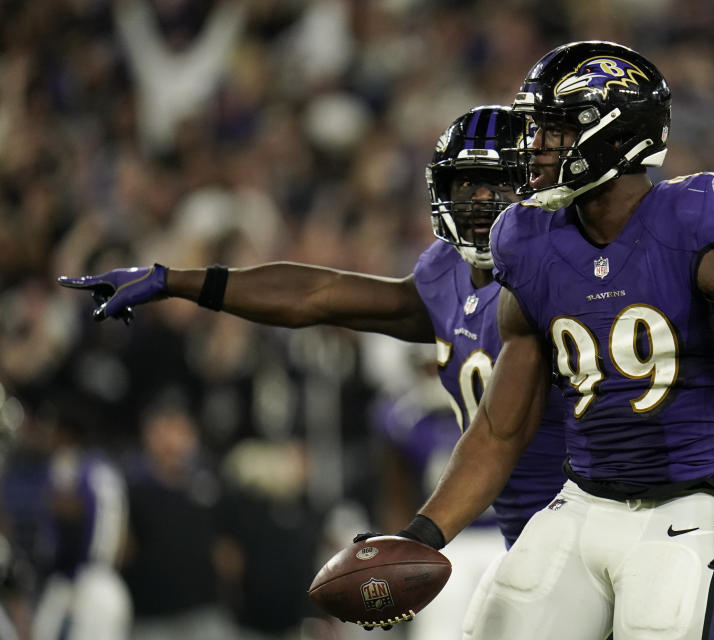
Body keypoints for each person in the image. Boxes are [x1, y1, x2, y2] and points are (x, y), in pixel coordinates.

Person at [57, 106, 569, 632]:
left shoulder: (555, 277)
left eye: (497, 183)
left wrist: (418, 537)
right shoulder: (445, 274)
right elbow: (318, 295)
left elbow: (498, 437)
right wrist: (174, 280)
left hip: (575, 521)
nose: (481, 201)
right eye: (467, 183)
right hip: (518, 536)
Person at [380, 40, 714, 640]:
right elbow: (502, 428)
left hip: (682, 506)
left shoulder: (696, 218)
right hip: (580, 502)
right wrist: (422, 535)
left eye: (552, 130)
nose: (534, 147)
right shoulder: (527, 240)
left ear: (612, 134)